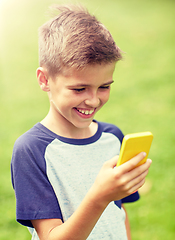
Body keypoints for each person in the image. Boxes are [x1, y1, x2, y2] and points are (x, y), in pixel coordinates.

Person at [11, 4, 152, 240]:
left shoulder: (112, 137)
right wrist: (99, 197)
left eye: (104, 86)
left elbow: (120, 213)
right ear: (45, 79)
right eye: (79, 88)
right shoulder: (31, 150)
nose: (94, 100)